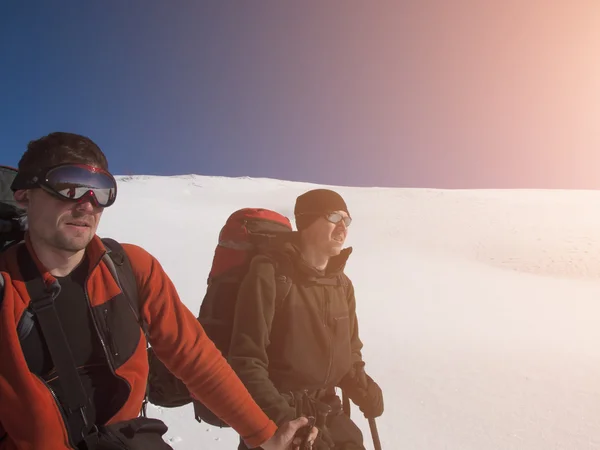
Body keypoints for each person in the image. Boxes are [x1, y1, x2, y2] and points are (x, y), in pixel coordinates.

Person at [0, 132, 317, 450]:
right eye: (69, 186)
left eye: (101, 191)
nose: (86, 205)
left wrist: (263, 434)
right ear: (24, 194)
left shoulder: (130, 269)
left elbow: (195, 358)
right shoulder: (6, 289)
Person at [228, 188, 384, 449]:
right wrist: (284, 421)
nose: (343, 227)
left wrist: (362, 386)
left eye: (347, 220)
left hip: (329, 412)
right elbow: (246, 360)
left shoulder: (342, 285)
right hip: (281, 419)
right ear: (308, 220)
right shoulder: (271, 274)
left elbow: (350, 350)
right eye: (334, 217)